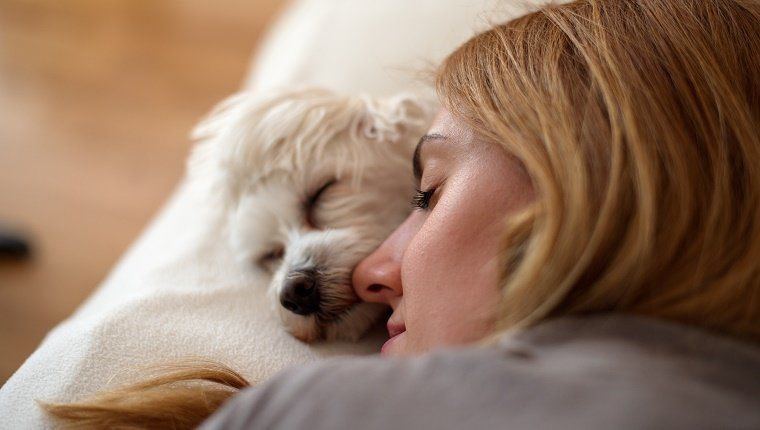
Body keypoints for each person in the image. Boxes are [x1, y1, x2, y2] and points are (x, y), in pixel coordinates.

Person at [46, 0, 760, 428]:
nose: (373, 272)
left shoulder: (327, 408)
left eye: (429, 195)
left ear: (597, 172)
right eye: (267, 259)